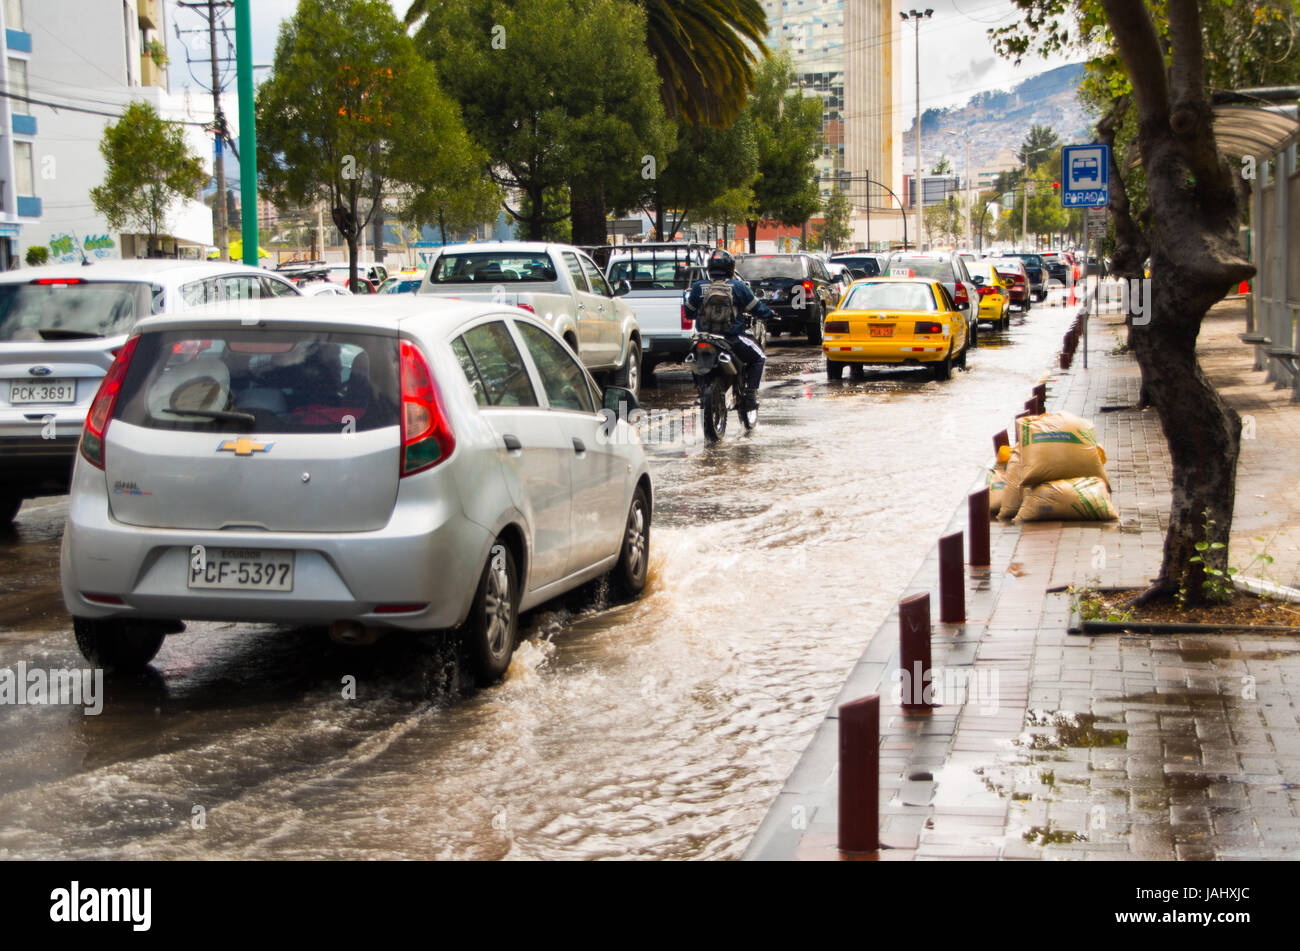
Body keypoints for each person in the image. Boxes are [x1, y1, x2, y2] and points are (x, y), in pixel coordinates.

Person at [684, 249, 771, 413]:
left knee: (694, 358)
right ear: (731, 268)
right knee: (759, 357)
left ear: (709, 268)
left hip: (704, 338)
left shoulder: (698, 287)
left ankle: (700, 390)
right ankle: (750, 396)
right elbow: (757, 308)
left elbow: (689, 313)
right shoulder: (738, 287)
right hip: (732, 339)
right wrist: (769, 314)